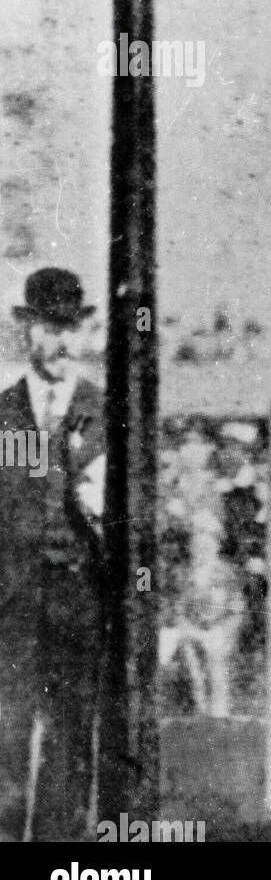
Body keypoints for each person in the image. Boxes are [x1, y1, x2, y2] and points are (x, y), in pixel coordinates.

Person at [0, 268, 107, 841]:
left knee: (69, 739)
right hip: (12, 606)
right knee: (5, 738)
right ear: (28, 332)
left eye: (73, 327)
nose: (64, 342)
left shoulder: (106, 414)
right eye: (51, 328)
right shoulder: (4, 414)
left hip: (77, 602)